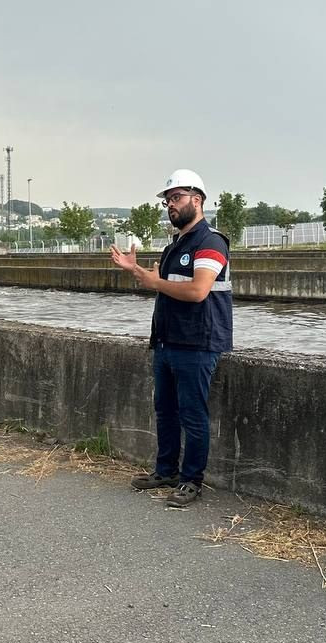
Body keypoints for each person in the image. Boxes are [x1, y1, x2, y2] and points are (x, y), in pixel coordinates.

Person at [110, 169, 232, 509]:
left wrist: (150, 281)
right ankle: (166, 471)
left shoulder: (211, 242)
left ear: (198, 199)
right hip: (167, 341)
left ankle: (191, 480)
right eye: (168, 200)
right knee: (165, 410)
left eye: (176, 198)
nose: (170, 205)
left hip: (197, 343)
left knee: (193, 414)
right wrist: (136, 271)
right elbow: (161, 285)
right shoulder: (174, 246)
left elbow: (197, 291)